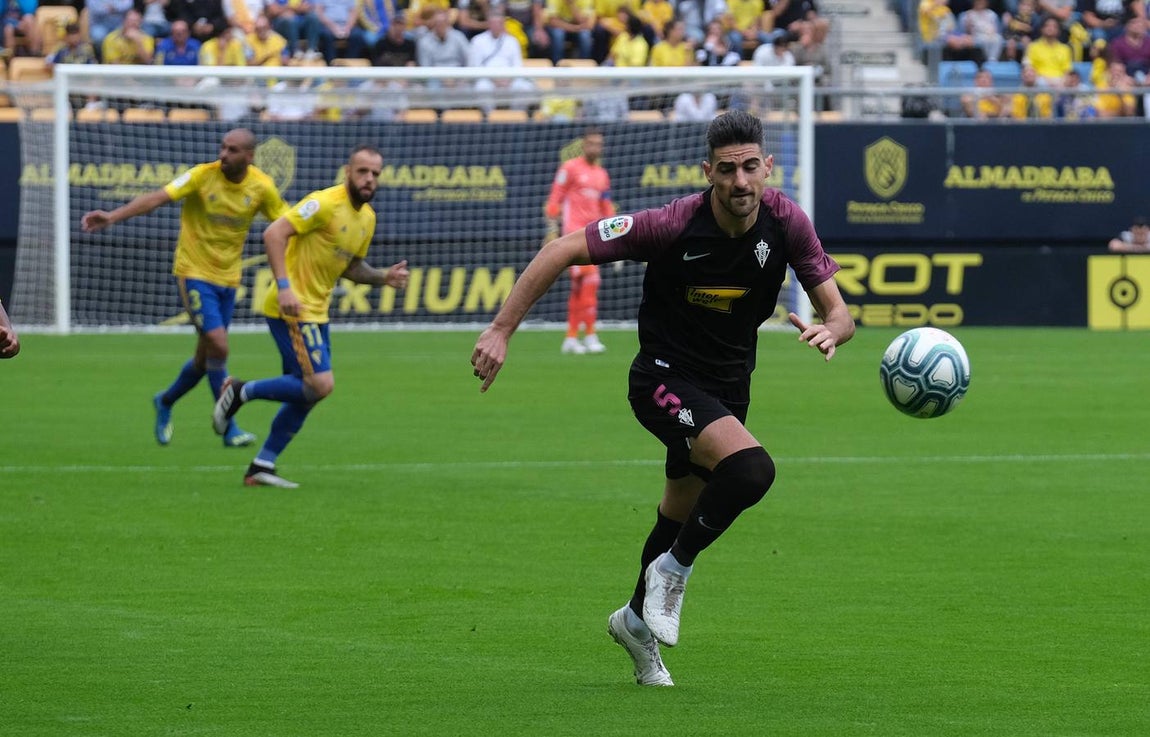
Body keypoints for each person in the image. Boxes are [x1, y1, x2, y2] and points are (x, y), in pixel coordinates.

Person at [471, 110, 853, 686]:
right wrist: (501, 330)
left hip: (728, 388)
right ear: (708, 172)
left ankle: (634, 623)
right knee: (752, 470)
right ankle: (674, 573)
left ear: (768, 167)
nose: (741, 181)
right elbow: (559, 250)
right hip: (662, 378)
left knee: (676, 515)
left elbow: (840, 312)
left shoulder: (788, 222)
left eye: (751, 166)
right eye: (727, 169)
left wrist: (832, 330)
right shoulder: (670, 224)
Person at [211, 145, 411, 489]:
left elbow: (351, 267)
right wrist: (284, 287)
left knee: (308, 391)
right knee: (321, 384)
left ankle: (262, 465)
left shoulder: (367, 218)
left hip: (316, 311)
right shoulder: (324, 202)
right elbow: (274, 233)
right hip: (291, 306)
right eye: (363, 171)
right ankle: (240, 391)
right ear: (347, 172)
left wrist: (383, 277)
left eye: (375, 174)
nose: (369, 179)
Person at [80, 129, 287, 448]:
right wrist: (112, 217)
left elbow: (287, 224)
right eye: (223, 147)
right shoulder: (202, 176)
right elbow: (156, 199)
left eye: (232, 150)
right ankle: (228, 426)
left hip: (228, 279)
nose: (223, 154)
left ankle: (165, 400)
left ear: (249, 156)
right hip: (194, 273)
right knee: (219, 346)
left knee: (205, 359)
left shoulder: (262, 186)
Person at [544, 127, 615, 355]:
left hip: (595, 235)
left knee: (579, 287)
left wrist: (617, 236)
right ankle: (591, 335)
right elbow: (555, 199)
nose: (596, 148)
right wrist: (552, 230)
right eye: (592, 143)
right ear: (584, 145)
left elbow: (606, 207)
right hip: (574, 236)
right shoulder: (570, 168)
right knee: (591, 281)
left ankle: (571, 337)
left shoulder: (602, 174)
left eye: (599, 144)